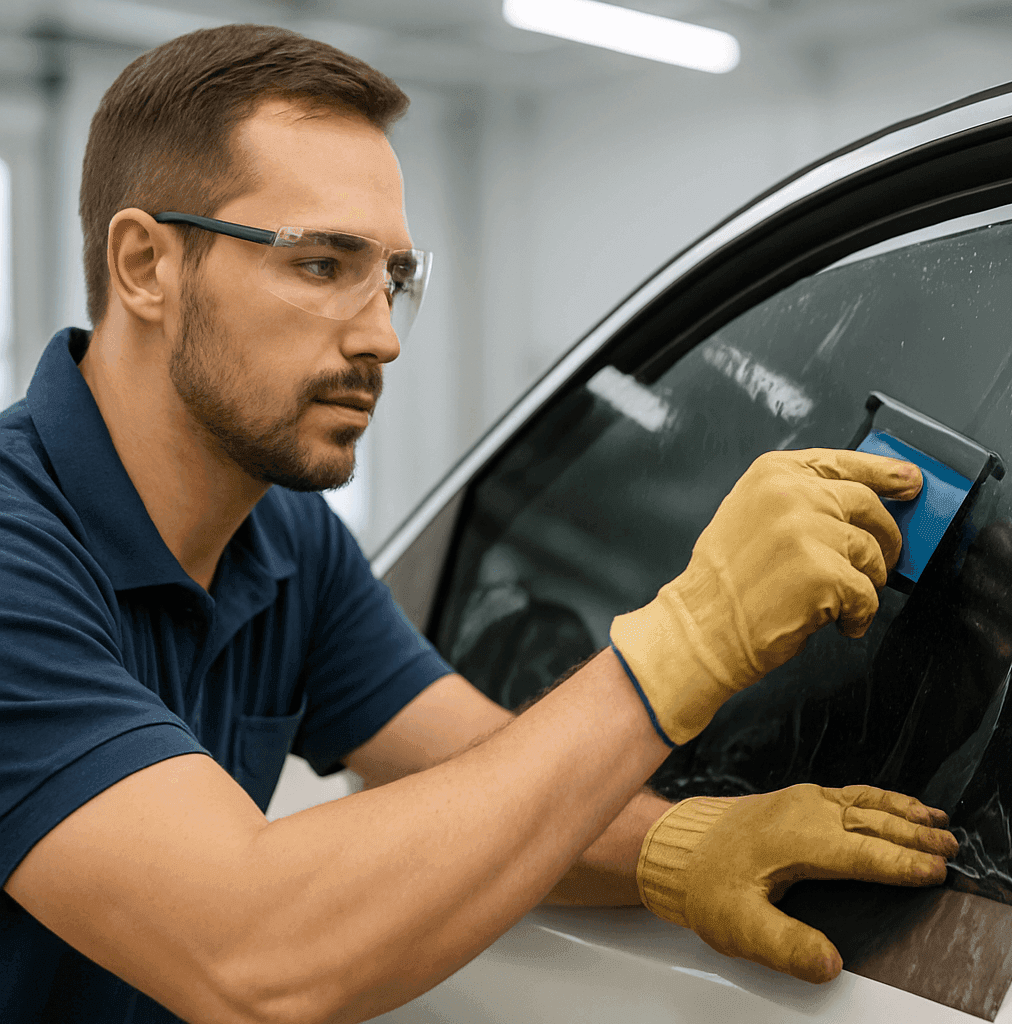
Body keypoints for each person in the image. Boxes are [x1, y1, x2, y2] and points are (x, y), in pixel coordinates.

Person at [0, 24, 960, 1024]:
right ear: (146, 264)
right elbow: (250, 947)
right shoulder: (15, 552)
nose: (380, 335)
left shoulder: (287, 540)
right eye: (323, 264)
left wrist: (678, 848)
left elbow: (475, 769)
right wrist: (689, 639)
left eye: (394, 280)